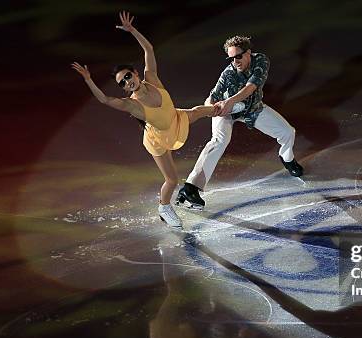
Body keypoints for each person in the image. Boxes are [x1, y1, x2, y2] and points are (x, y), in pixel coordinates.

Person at [71, 12, 243, 227]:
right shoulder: (132, 105)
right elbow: (105, 100)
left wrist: (132, 31)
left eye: (127, 76)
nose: (127, 83)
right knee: (171, 180)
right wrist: (88, 79)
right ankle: (164, 207)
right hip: (158, 139)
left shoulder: (151, 78)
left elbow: (149, 49)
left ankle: (226, 107)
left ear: (134, 73)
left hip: (176, 119)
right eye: (122, 83)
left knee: (201, 110)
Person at [176, 35, 303, 210]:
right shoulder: (228, 73)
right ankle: (190, 188)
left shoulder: (261, 60)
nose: (235, 61)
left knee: (288, 133)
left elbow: (251, 87)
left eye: (238, 56)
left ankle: (287, 159)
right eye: (231, 58)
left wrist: (230, 101)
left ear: (248, 52)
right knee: (219, 141)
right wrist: (211, 108)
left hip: (252, 109)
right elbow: (211, 97)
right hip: (227, 113)